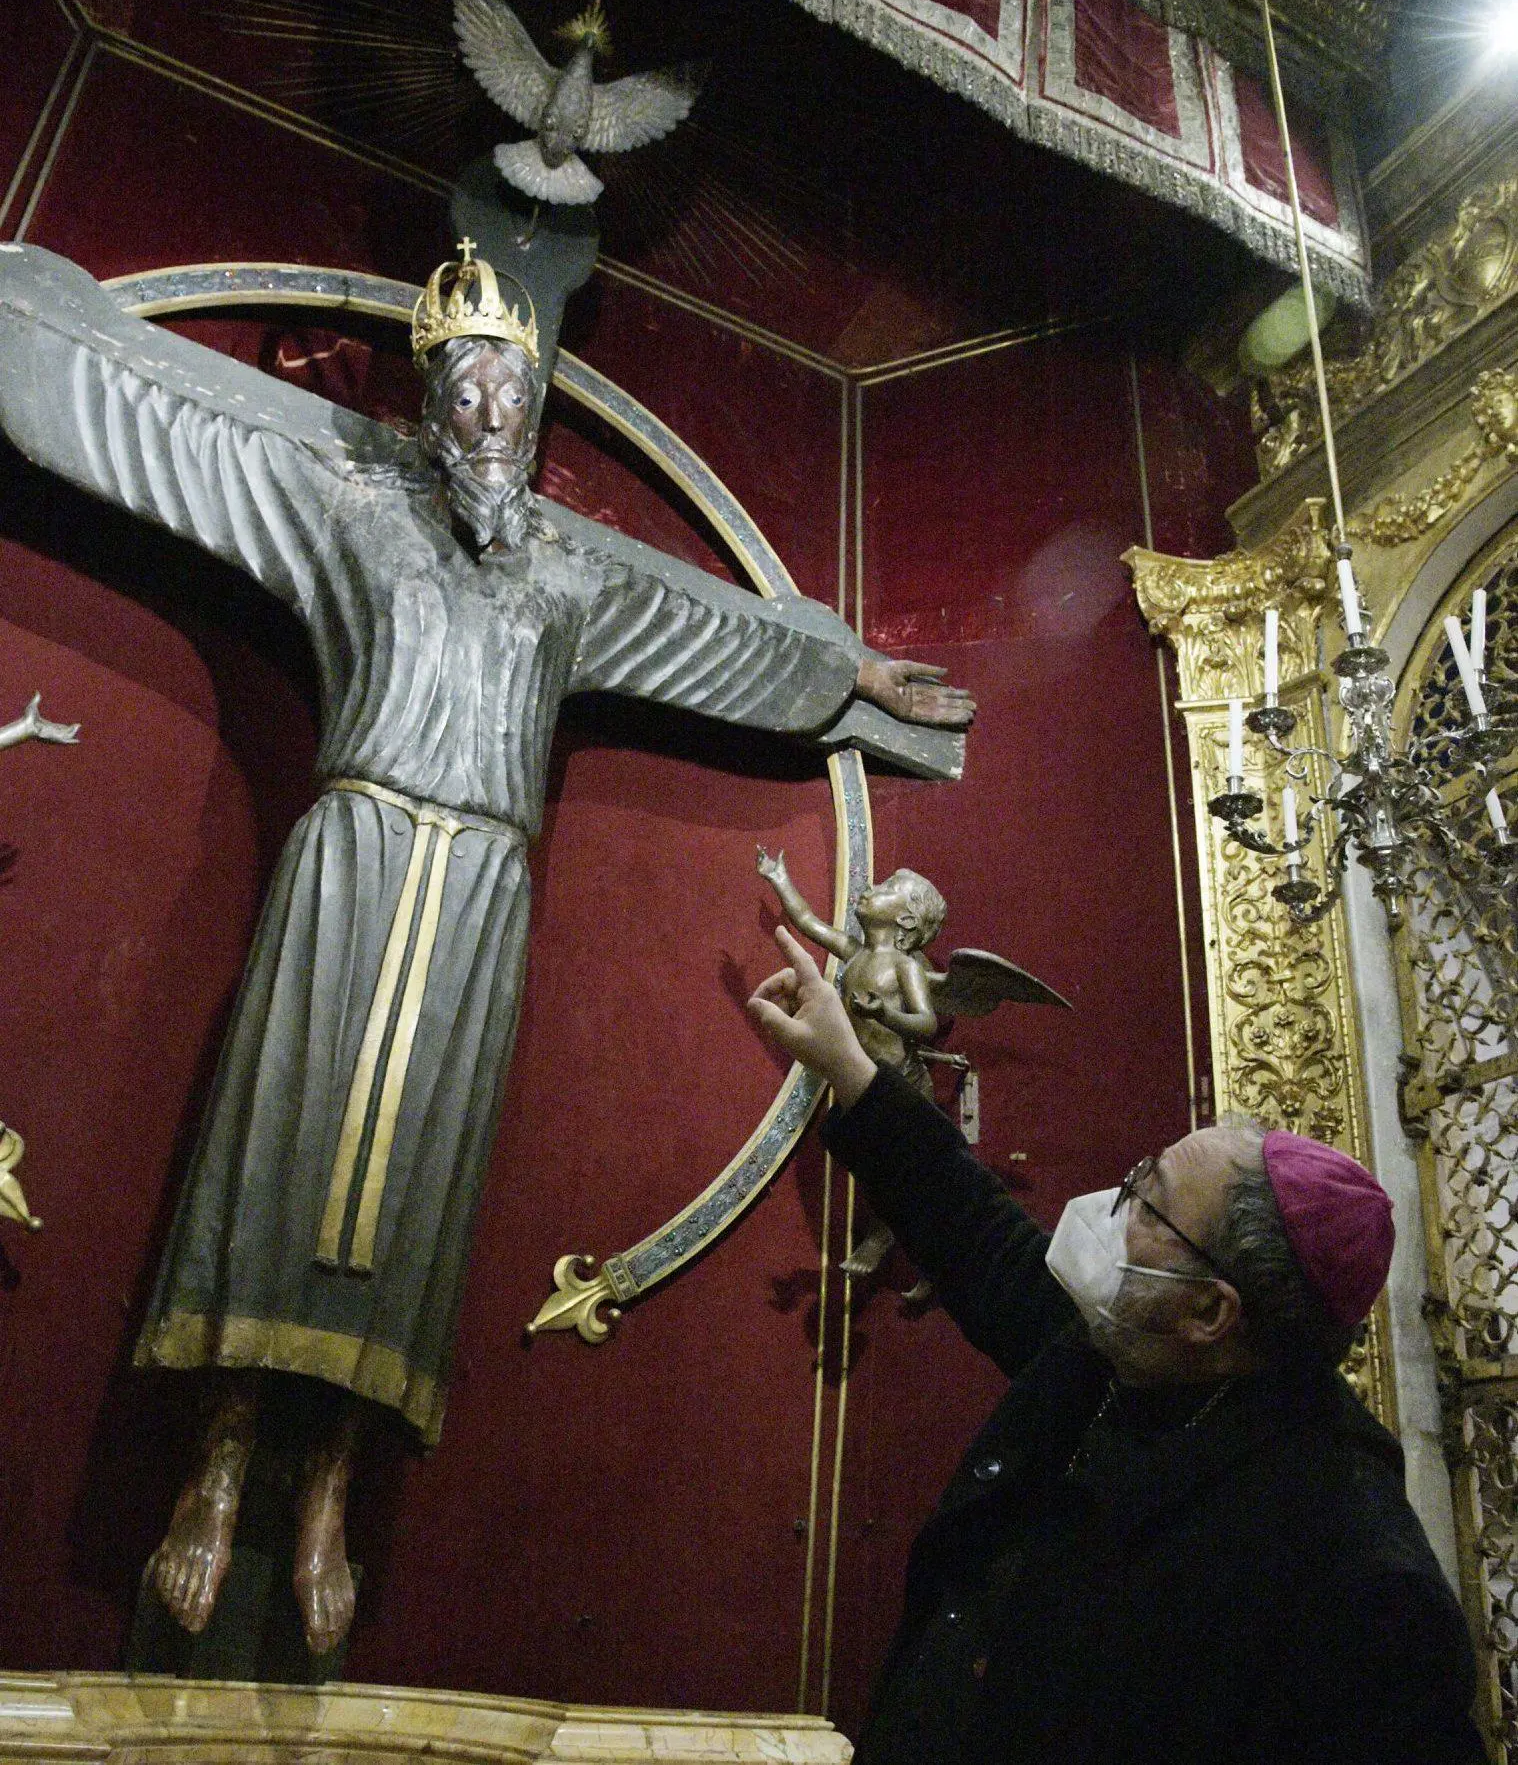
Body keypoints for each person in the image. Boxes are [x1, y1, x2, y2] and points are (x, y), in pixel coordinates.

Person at [0, 239, 973, 1652]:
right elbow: (171, 424)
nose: (488, 419)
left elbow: (710, 633)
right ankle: (214, 1464)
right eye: (465, 391)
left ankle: (332, 1482)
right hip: (348, 862)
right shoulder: (348, 505)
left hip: (479, 905)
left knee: (419, 1178)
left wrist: (840, 672)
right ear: (427, 402)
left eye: (512, 398)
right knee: (276, 1139)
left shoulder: (570, 578)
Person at [748, 926, 1483, 1765]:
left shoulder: (1358, 1582)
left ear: (1211, 1310)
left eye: (1148, 1201)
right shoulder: (1132, 1352)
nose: (1112, 1206)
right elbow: (980, 1238)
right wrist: (850, 1068)